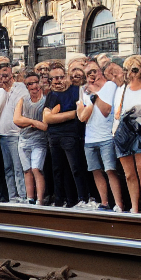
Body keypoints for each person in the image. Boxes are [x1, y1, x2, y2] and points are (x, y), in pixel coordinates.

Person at [76, 58, 124, 212]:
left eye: (94, 71)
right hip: (90, 137)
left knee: (110, 170)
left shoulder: (109, 86)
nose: (91, 75)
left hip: (106, 136)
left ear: (100, 71)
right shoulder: (84, 89)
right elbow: (82, 116)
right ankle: (104, 202)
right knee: (96, 170)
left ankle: (119, 204)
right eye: (88, 73)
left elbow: (105, 111)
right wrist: (89, 98)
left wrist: (95, 95)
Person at [111, 55, 141, 214]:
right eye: (127, 69)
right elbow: (117, 113)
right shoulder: (121, 89)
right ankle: (135, 207)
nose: (131, 73)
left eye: (135, 69)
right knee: (129, 174)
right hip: (123, 133)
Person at [42, 61, 90, 208]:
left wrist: (58, 115)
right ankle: (61, 200)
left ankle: (83, 198)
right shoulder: (51, 95)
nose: (58, 81)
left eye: (61, 77)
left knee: (75, 168)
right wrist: (71, 114)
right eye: (54, 79)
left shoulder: (77, 91)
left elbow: (82, 111)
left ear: (67, 77)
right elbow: (46, 118)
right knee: (58, 170)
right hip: (54, 136)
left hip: (71, 135)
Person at [0, 57, 28, 204]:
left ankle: (22, 196)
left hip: (16, 135)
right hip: (3, 135)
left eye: (6, 67)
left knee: (18, 168)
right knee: (8, 168)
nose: (4, 71)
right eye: (0, 68)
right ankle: (13, 197)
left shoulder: (20, 87)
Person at [14, 69, 48, 205]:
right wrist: (33, 122)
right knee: (27, 169)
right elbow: (16, 120)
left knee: (36, 168)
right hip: (23, 139)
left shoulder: (45, 100)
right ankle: (30, 198)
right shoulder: (23, 100)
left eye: (35, 82)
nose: (33, 86)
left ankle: (40, 199)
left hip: (39, 140)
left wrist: (26, 121)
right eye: (29, 84)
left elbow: (45, 125)